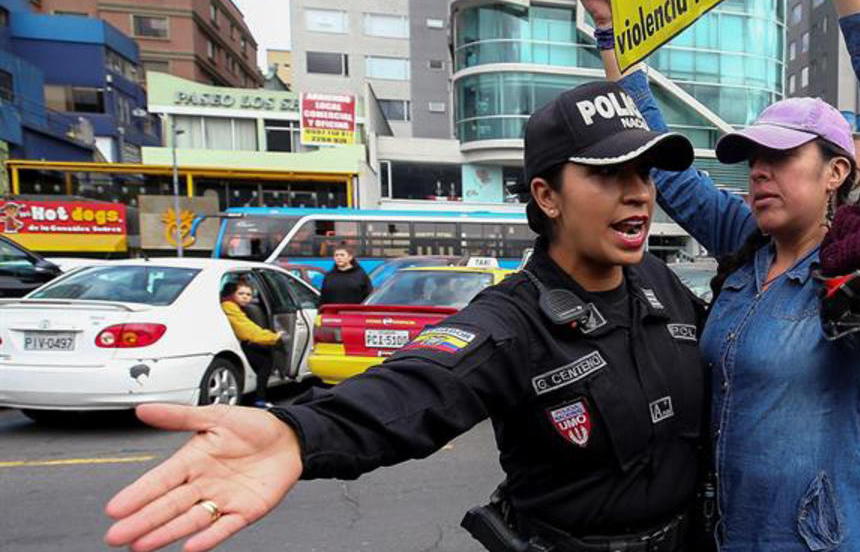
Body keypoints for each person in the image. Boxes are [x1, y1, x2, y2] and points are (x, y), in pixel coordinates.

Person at [104, 82, 714, 552]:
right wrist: (299, 435)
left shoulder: (661, 282)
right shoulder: (512, 321)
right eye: (608, 174)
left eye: (643, 173)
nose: (638, 192)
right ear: (547, 196)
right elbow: (418, 385)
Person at [574, 0, 860, 546]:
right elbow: (664, 166)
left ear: (837, 172)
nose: (759, 171)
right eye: (751, 158)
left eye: (780, 157)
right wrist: (606, 24)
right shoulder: (748, 244)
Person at [219, 281, 285, 408]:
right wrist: (273, 337)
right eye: (241, 293)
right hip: (239, 344)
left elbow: (250, 328)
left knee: (265, 359)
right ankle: (260, 399)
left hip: (239, 343)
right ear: (232, 294)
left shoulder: (234, 307)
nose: (245, 297)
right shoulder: (229, 307)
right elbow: (247, 331)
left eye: (249, 294)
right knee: (265, 362)